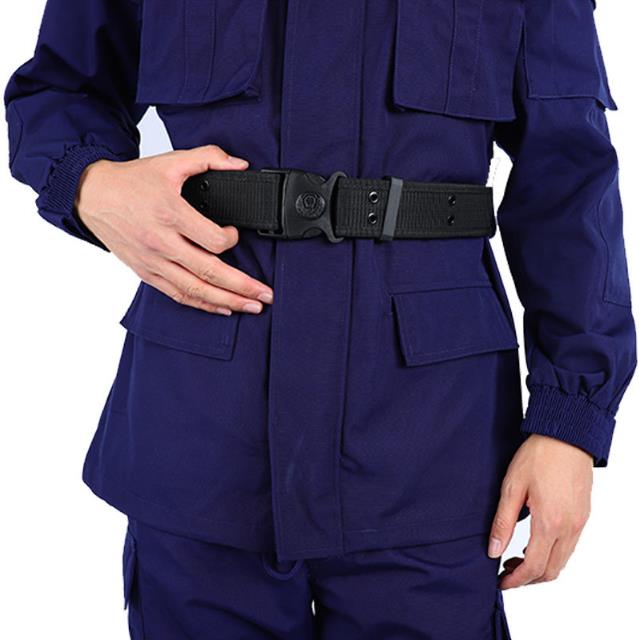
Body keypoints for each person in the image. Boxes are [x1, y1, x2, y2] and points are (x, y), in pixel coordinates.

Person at [5, 0, 636, 638]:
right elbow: (59, 89)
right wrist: (90, 183)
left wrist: (571, 423)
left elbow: (568, 180)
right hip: (203, 434)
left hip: (430, 444)